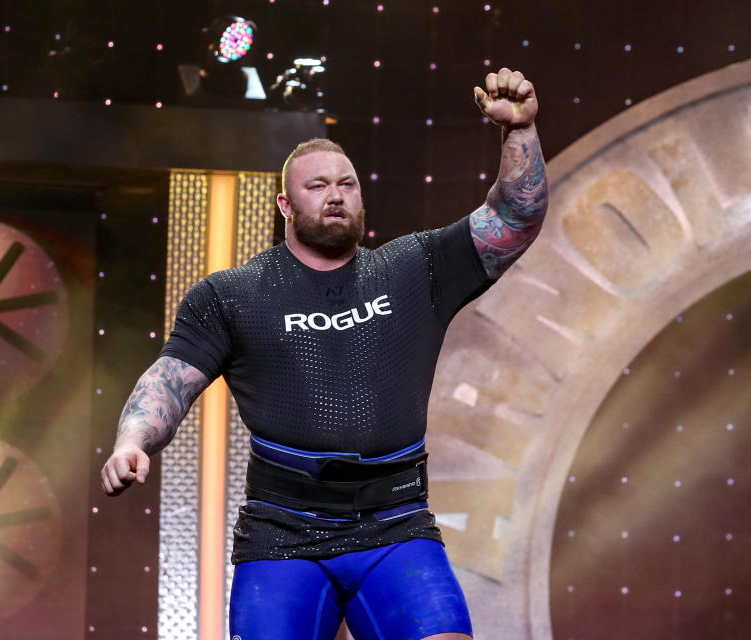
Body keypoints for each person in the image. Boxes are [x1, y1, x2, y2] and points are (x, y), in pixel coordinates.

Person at [101, 68, 548, 640]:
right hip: (282, 537)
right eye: (318, 186)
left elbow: (515, 218)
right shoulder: (232, 294)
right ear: (286, 203)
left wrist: (521, 131)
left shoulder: (416, 268)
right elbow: (171, 377)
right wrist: (132, 441)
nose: (336, 194)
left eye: (348, 183)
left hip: (396, 529)